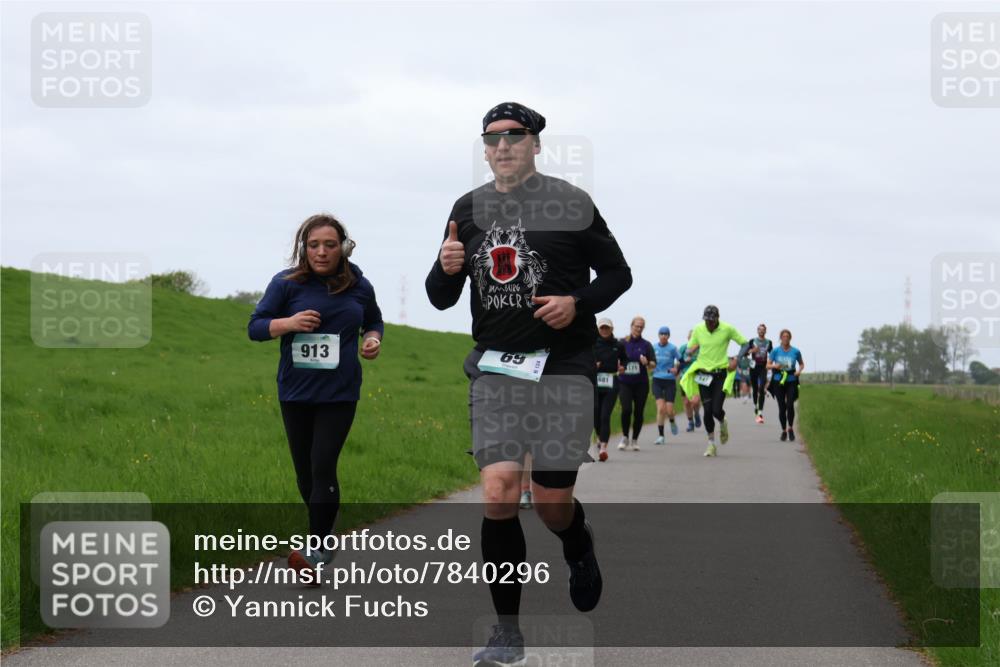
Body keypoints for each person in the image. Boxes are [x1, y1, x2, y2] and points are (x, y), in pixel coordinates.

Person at [425, 102, 632, 667]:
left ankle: (577, 543)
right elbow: (440, 297)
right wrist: (444, 269)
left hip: (564, 366)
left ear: (536, 143)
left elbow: (618, 274)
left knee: (550, 502)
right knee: (497, 493)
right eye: (491, 139)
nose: (502, 145)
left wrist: (577, 302)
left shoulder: (571, 203)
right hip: (495, 367)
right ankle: (507, 632)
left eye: (515, 136)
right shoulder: (466, 210)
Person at [248, 213, 384, 576]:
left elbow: (374, 320)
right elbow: (255, 327)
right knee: (305, 475)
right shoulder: (285, 284)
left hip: (339, 393)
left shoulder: (359, 284)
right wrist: (288, 324)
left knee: (323, 465)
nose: (322, 252)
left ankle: (316, 551)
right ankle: (322, 539)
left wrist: (372, 339)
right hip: (295, 392)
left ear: (343, 247)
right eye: (314, 245)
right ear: (303, 248)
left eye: (330, 244)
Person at [678, 305, 749, 458]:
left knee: (717, 410)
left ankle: (723, 422)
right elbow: (691, 348)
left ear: (717, 318)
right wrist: (690, 351)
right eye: (706, 321)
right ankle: (711, 444)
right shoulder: (698, 329)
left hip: (720, 375)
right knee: (707, 410)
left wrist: (737, 359)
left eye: (711, 321)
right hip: (703, 374)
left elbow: (745, 343)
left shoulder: (727, 329)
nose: (709, 324)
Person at [618, 316, 655, 451]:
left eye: (641, 327)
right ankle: (624, 436)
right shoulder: (622, 343)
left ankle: (634, 440)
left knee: (639, 412)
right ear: (631, 326)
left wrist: (647, 362)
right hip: (624, 382)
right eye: (636, 326)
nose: (638, 329)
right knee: (626, 409)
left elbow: (653, 364)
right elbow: (615, 359)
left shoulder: (646, 345)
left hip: (641, 383)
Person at [594, 318, 628, 462]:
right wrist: (592, 365)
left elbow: (625, 360)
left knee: (605, 415)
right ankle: (600, 437)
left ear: (611, 329)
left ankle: (603, 448)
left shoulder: (618, 345)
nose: (604, 330)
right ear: (598, 329)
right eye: (602, 328)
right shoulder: (592, 343)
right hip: (595, 382)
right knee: (595, 414)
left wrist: (623, 367)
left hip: (611, 381)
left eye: (607, 328)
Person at [767, 329, 805, 441]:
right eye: (783, 336)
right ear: (781, 338)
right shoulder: (775, 351)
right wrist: (775, 366)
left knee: (790, 405)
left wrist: (799, 371)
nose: (785, 338)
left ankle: (790, 428)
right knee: (782, 407)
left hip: (792, 380)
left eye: (787, 336)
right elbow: (767, 365)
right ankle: (783, 430)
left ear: (790, 338)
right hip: (778, 380)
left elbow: (802, 364)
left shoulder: (795, 351)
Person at [651, 326, 681, 444]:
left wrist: (676, 369)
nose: (663, 336)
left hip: (669, 380)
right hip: (657, 379)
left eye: (666, 334)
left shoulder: (673, 348)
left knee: (669, 410)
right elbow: (650, 360)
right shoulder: (654, 347)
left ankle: (672, 421)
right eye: (661, 334)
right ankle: (661, 436)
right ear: (658, 335)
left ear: (669, 336)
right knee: (661, 408)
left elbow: (681, 360)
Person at [675, 329, 702, 432]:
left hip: (698, 376)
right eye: (691, 337)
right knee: (686, 402)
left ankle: (697, 414)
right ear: (688, 338)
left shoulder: (702, 349)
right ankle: (690, 422)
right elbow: (679, 363)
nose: (692, 339)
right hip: (684, 377)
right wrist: (678, 370)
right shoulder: (683, 348)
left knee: (695, 401)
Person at [748, 324, 773, 423]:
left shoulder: (768, 342)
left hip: (763, 367)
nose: (761, 331)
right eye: (760, 330)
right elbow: (746, 352)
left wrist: (773, 363)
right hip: (753, 367)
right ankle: (756, 406)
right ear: (757, 331)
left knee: (761, 388)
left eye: (763, 330)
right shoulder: (752, 341)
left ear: (765, 331)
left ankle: (760, 413)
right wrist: (751, 350)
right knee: (755, 388)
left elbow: (772, 354)